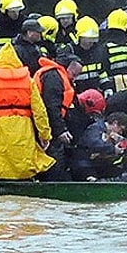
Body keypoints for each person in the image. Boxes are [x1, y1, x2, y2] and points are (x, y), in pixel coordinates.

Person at [0, 43, 54, 180]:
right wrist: (45, 135)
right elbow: (40, 112)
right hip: (23, 129)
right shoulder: (29, 82)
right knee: (22, 166)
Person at [34, 51, 83, 180]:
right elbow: (52, 106)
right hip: (44, 126)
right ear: (67, 68)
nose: (74, 78)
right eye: (73, 74)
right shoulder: (53, 77)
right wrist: (60, 130)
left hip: (48, 125)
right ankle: (51, 186)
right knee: (54, 158)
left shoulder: (57, 76)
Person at [71, 111, 127, 180]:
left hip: (97, 165)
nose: (120, 132)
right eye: (121, 129)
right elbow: (94, 144)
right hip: (84, 165)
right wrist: (113, 149)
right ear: (115, 123)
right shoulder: (95, 128)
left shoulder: (109, 134)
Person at [65, 16, 113, 95]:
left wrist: (107, 87)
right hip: (76, 95)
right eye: (87, 39)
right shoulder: (69, 51)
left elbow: (101, 73)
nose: (90, 43)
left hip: (94, 95)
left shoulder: (97, 50)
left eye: (93, 40)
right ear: (79, 37)